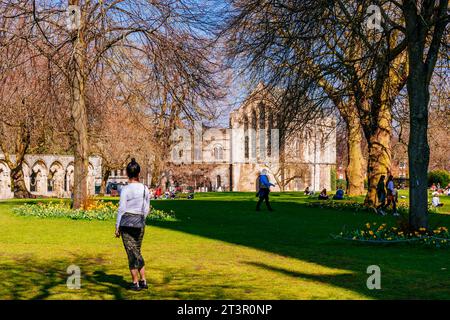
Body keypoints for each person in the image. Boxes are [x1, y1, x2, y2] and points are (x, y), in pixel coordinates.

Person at [115, 158, 150, 291]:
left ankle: (135, 283)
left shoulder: (126, 189)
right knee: (137, 251)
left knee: (132, 253)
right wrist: (142, 219)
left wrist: (117, 226)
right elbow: (147, 208)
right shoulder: (145, 189)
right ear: (138, 173)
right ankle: (143, 280)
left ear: (127, 173)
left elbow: (122, 209)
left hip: (127, 224)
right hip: (140, 223)